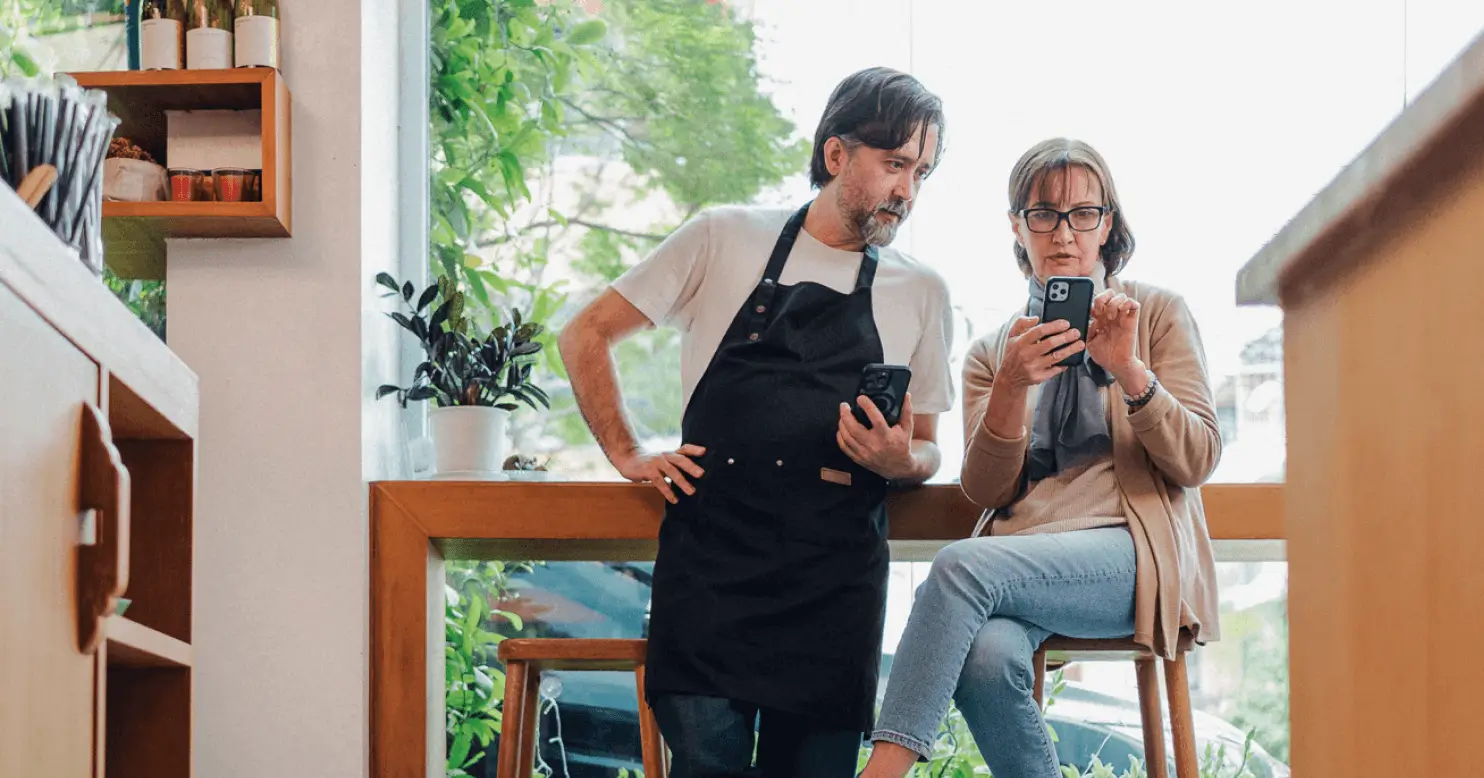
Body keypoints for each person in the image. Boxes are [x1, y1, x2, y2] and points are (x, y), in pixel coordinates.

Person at [557, 67, 955, 778]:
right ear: (836, 155)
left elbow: (927, 449)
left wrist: (901, 461)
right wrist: (628, 450)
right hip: (714, 572)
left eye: (921, 172)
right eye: (895, 164)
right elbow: (584, 334)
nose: (908, 190)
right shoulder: (723, 238)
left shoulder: (920, 291)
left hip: (835, 590)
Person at [858, 138, 1223, 778]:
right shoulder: (993, 352)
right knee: (986, 657)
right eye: (1043, 214)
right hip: (1023, 561)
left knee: (958, 567)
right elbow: (988, 491)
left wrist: (1129, 370)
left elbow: (1196, 459)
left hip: (1131, 554)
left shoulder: (1158, 313)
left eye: (1084, 213)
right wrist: (1011, 387)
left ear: (1107, 224)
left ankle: (884, 769)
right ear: (1017, 228)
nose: (1064, 233)